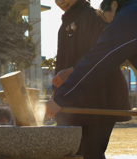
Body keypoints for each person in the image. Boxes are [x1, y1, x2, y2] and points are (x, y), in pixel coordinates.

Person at [51, 0, 131, 159]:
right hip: (75, 102)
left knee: (90, 152)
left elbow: (100, 57)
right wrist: (57, 94)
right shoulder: (65, 24)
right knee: (72, 153)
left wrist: (71, 71)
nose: (60, 1)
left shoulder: (94, 17)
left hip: (100, 100)